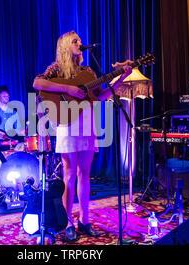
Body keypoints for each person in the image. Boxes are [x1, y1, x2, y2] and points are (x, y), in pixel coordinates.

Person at [33, 30, 132, 241]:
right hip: (67, 124)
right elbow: (37, 84)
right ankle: (67, 221)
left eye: (79, 40)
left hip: (87, 122)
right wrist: (67, 90)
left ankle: (84, 220)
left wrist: (121, 77)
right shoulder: (56, 68)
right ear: (65, 46)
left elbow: (101, 96)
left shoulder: (88, 71)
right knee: (69, 175)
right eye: (74, 41)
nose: (79, 43)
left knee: (84, 174)